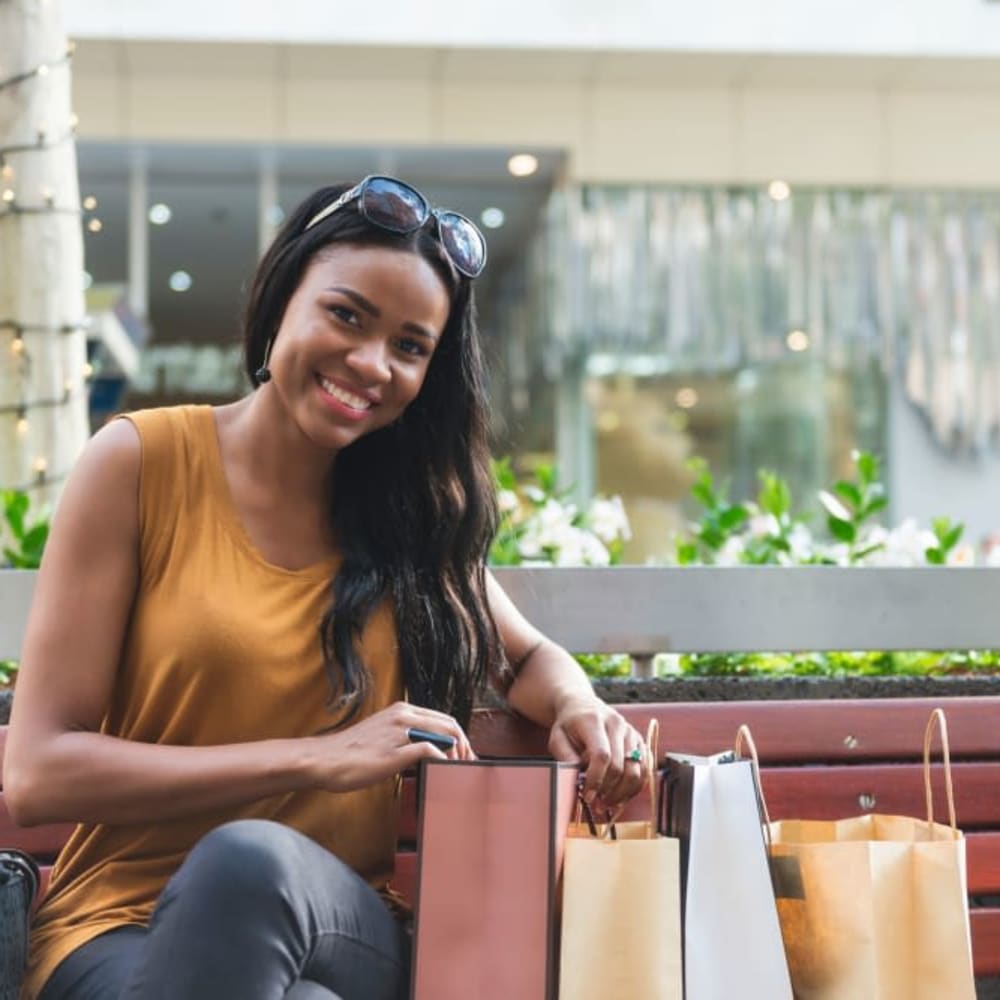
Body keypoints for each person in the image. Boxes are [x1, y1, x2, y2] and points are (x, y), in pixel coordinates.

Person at [3, 175, 651, 1000]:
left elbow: (523, 661)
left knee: (253, 868)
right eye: (346, 316)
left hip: (336, 926)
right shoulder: (138, 465)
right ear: (281, 301)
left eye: (411, 347)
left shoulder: (411, 519)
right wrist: (318, 759)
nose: (371, 363)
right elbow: (38, 773)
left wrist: (580, 706)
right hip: (115, 928)